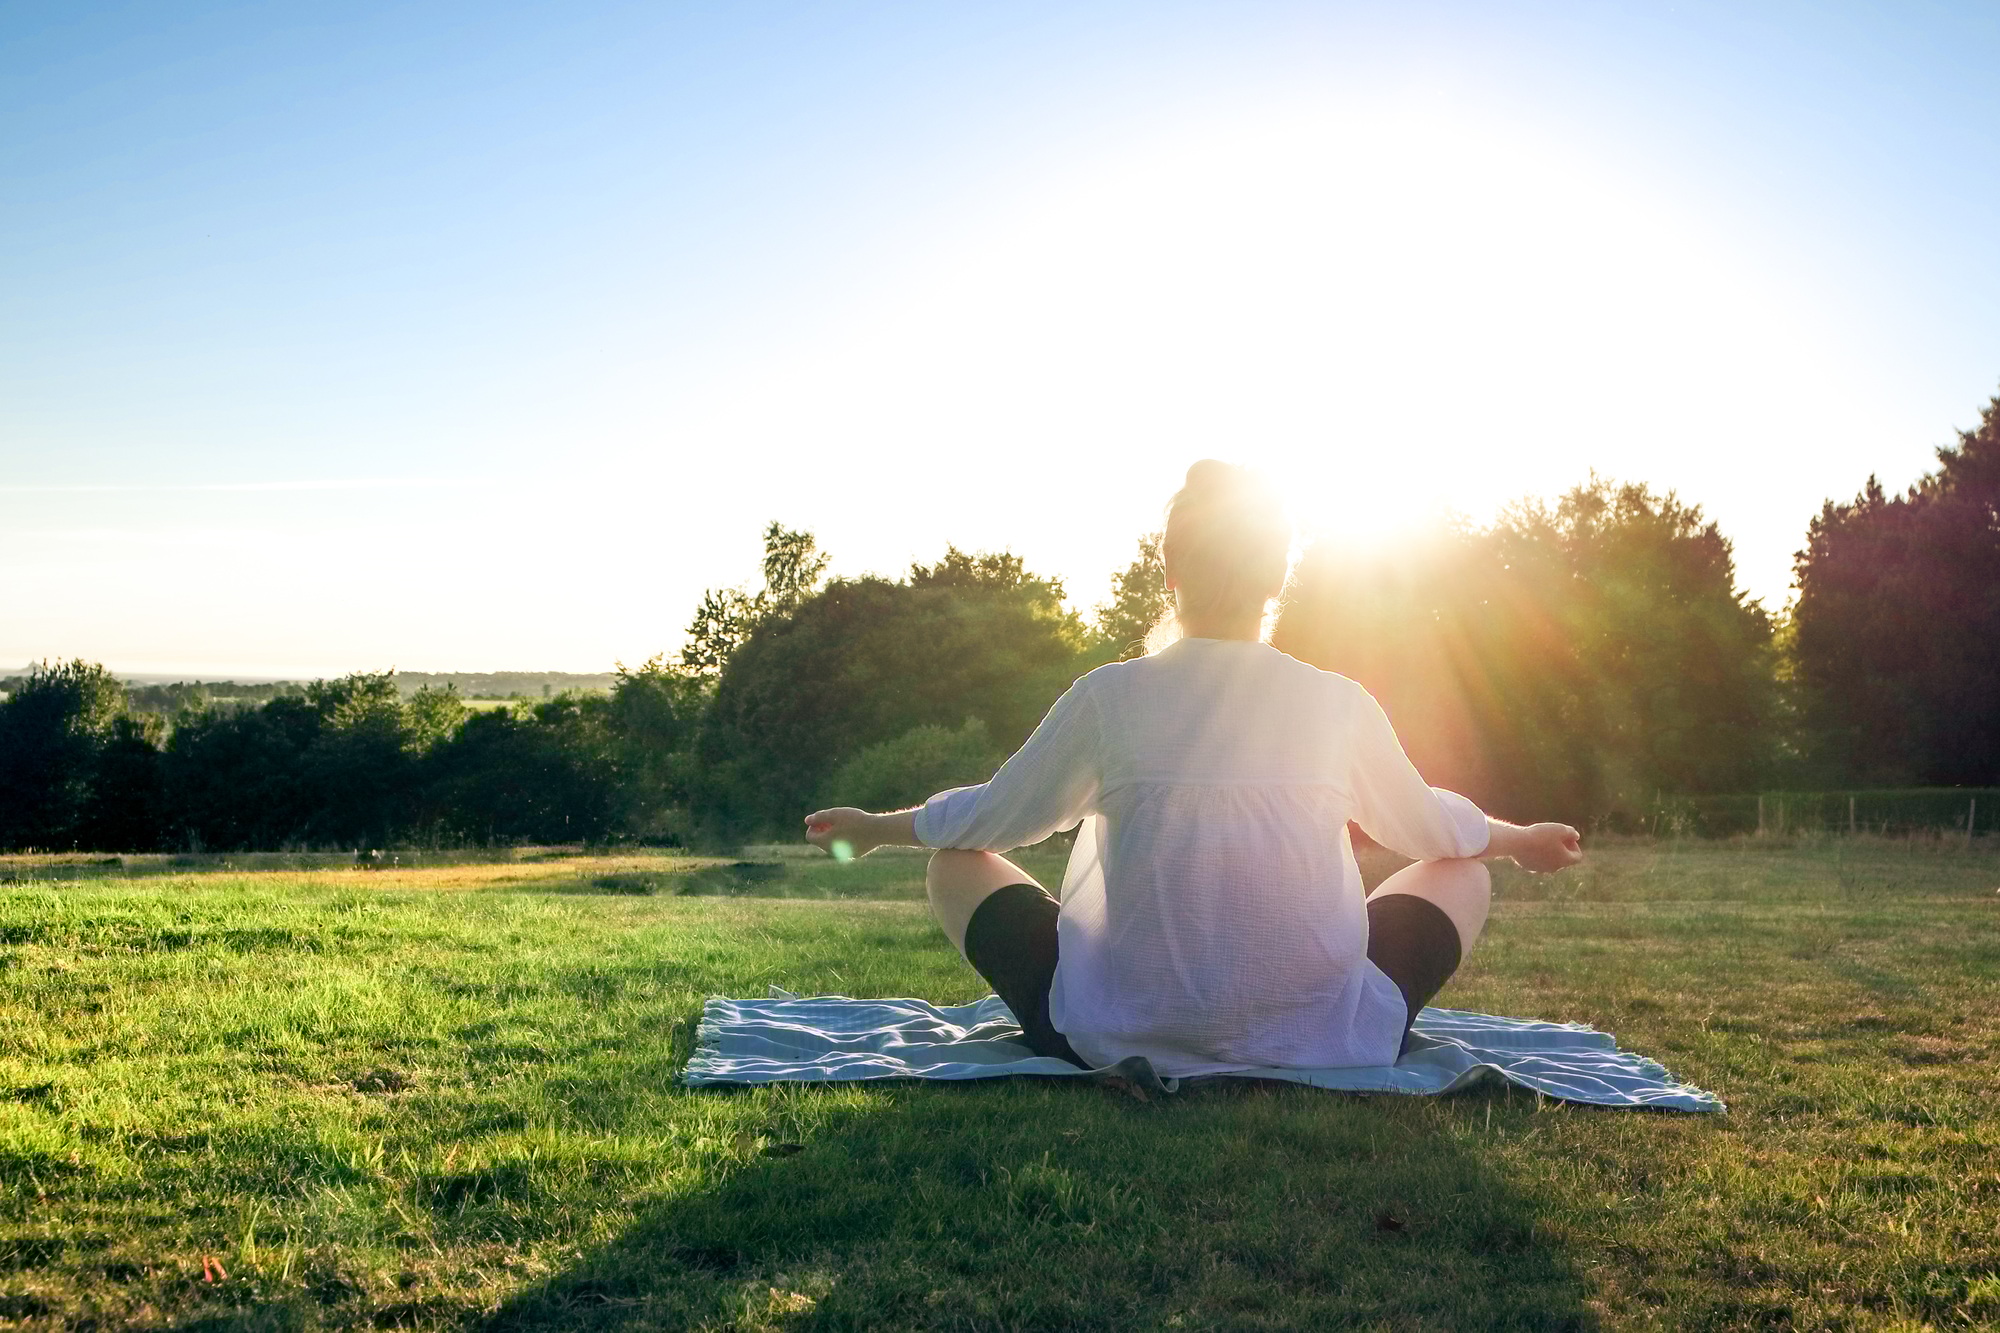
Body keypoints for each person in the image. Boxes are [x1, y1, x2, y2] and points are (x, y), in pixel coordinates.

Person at [804, 460, 1583, 1076]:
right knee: (1466, 869)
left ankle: (1132, 1010)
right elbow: (1432, 826)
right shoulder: (1336, 702)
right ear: (1276, 577)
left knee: (953, 866)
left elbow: (994, 817)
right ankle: (1295, 1018)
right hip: (1319, 1037)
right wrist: (1518, 839)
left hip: (1118, 1035)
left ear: (1169, 569)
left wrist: (877, 827)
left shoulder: (1109, 697)